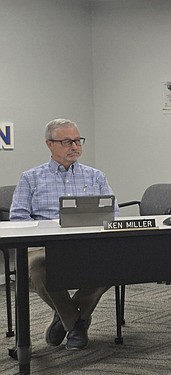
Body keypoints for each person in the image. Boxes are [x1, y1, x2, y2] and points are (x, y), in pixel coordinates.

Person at [10, 118, 116, 350]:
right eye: (67, 141)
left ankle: (64, 316)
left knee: (113, 266)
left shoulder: (95, 176)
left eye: (78, 141)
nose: (75, 146)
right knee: (39, 268)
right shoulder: (31, 178)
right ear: (49, 144)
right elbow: (18, 218)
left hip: (86, 244)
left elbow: (112, 213)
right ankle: (76, 323)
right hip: (43, 246)